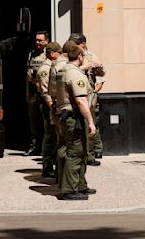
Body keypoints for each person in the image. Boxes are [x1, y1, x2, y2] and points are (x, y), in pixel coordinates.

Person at [55, 43, 97, 200]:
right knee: (75, 152)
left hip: (64, 115)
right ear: (80, 57)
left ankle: (80, 185)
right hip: (74, 117)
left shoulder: (62, 71)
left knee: (81, 151)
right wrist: (91, 122)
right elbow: (81, 101)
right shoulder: (76, 74)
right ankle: (69, 190)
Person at [68, 33, 105, 166]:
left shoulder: (90, 56)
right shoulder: (69, 55)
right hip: (74, 94)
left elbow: (100, 72)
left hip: (88, 95)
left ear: (82, 44)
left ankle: (90, 154)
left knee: (90, 124)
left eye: (75, 43)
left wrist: (98, 85)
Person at [36, 42, 62, 178]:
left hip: (52, 106)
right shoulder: (45, 69)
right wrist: (52, 108)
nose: (60, 55)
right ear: (52, 53)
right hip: (49, 106)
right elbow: (46, 93)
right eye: (59, 52)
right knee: (50, 136)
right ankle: (47, 166)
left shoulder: (52, 66)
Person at [25, 31, 49, 156]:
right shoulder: (32, 54)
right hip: (34, 91)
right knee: (34, 120)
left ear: (46, 41)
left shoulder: (50, 54)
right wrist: (27, 94)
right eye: (36, 40)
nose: (38, 42)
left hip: (45, 91)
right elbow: (27, 75)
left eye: (40, 40)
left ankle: (46, 147)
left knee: (46, 120)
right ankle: (35, 146)